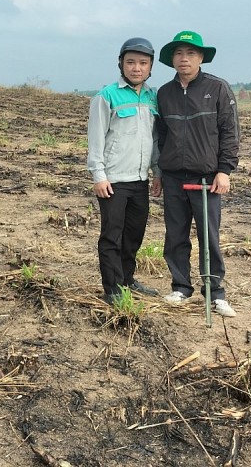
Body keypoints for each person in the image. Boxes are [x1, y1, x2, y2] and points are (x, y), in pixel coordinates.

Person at [156, 31, 240, 317]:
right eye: (179, 54)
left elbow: (230, 132)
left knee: (209, 236)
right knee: (175, 235)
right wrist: (159, 171)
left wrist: (224, 170)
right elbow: (161, 136)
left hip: (206, 179)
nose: (184, 59)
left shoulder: (217, 88)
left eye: (190, 53)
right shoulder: (164, 93)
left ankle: (215, 293)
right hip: (173, 178)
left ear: (201, 57)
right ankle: (181, 287)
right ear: (172, 59)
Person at [87, 37, 162, 306]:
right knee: (112, 235)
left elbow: (154, 139)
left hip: (139, 180)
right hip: (113, 181)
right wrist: (99, 176)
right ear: (121, 64)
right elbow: (95, 140)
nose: (136, 68)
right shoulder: (106, 96)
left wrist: (157, 172)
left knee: (134, 234)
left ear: (151, 67)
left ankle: (127, 279)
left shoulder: (153, 97)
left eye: (143, 63)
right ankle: (112, 288)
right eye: (130, 62)